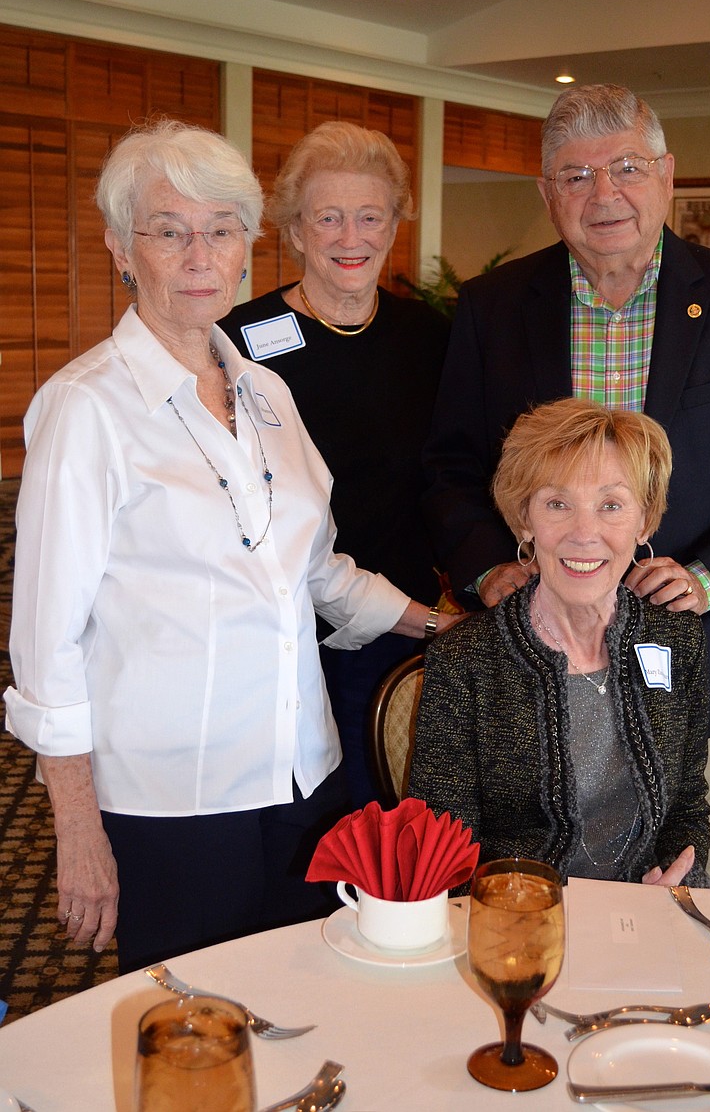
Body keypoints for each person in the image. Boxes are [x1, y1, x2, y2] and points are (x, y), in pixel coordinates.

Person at [3, 119, 456, 973]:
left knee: (306, 1004)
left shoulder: (267, 389)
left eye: (220, 230)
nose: (200, 255)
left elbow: (316, 570)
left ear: (248, 243)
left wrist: (437, 626)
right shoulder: (86, 408)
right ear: (120, 248)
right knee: (195, 1043)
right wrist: (77, 827)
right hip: (173, 802)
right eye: (170, 232)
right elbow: (45, 646)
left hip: (302, 781)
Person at [422, 83, 710, 886]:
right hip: (529, 652)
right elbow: (448, 468)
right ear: (547, 195)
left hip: (685, 658)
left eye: (626, 168)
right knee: (518, 870)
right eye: (575, 176)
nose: (602, 194)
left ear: (667, 176)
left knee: (673, 874)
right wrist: (486, 568)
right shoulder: (494, 306)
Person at [218, 121, 450, 808]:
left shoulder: (432, 338)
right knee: (300, 824)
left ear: (393, 225)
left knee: (396, 812)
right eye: (329, 218)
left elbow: (459, 471)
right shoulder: (238, 344)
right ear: (294, 231)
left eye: (370, 216)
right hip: (276, 633)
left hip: (404, 625)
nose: (352, 238)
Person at [410, 399, 710, 887]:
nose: (584, 533)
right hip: (517, 923)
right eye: (557, 504)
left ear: (645, 523)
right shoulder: (466, 660)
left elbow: (688, 805)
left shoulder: (676, 637)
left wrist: (679, 878)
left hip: (653, 914)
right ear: (525, 520)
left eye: (611, 506)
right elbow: (443, 842)